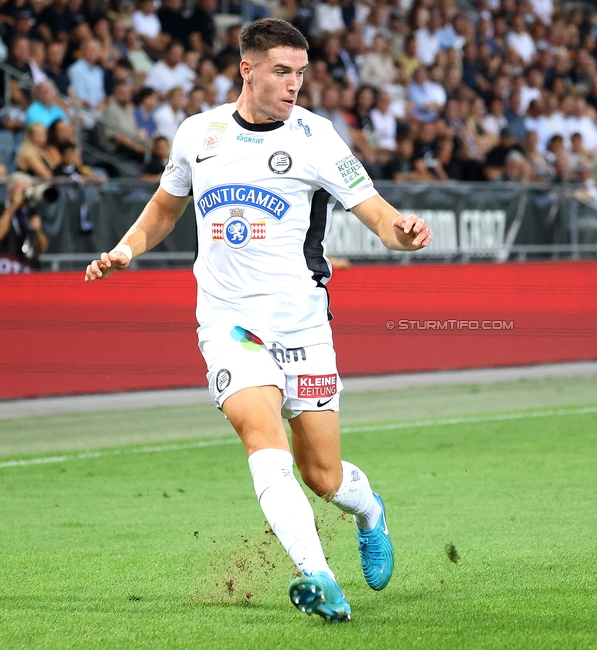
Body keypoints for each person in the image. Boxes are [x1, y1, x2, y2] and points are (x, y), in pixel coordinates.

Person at [84, 18, 432, 623]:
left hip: (302, 324)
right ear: (247, 69)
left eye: (300, 73)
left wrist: (404, 232)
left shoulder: (318, 138)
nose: (294, 84)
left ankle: (371, 511)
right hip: (229, 322)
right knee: (261, 436)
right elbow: (165, 210)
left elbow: (378, 215)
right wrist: (126, 249)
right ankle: (319, 579)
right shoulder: (200, 133)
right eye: (281, 71)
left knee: (323, 476)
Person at [0, 172, 49, 273]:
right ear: (10, 192)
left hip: (26, 269)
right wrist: (12, 207)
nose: (25, 195)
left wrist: (38, 231)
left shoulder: (31, 212)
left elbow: (43, 247)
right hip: (1, 270)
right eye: (22, 191)